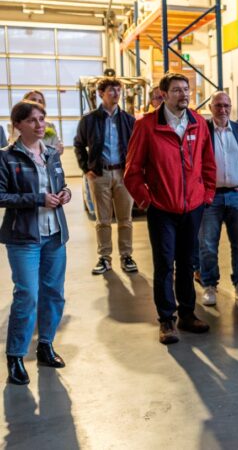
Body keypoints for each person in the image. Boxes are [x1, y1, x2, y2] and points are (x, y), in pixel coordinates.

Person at [124, 73, 216, 345]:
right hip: (162, 208)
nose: (184, 94)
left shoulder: (198, 123)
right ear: (163, 95)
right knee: (165, 264)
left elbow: (208, 163)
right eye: (177, 90)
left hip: (193, 207)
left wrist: (207, 195)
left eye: (186, 89)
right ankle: (166, 319)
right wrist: (147, 201)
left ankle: (187, 313)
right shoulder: (146, 126)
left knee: (187, 263)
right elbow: (132, 171)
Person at [0, 100, 72, 385]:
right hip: (24, 238)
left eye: (42, 119)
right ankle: (16, 356)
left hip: (54, 235)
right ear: (18, 125)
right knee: (27, 295)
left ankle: (46, 345)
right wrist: (38, 199)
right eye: (32, 120)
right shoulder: (7, 157)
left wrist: (65, 193)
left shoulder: (52, 153)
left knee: (54, 293)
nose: (40, 125)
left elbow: (60, 183)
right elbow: (1, 196)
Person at [74, 78, 137, 275]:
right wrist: (86, 169)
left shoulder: (129, 120)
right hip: (99, 174)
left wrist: (135, 171)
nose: (116, 93)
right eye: (111, 90)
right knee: (103, 220)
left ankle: (126, 256)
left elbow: (137, 147)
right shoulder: (89, 120)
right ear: (101, 93)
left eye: (118, 90)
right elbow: (78, 145)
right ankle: (105, 257)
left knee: (125, 219)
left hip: (123, 174)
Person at [197, 91, 238, 307]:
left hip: (237, 196)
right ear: (210, 107)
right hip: (210, 197)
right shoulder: (202, 130)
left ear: (231, 107)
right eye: (218, 105)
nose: (223, 109)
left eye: (226, 105)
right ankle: (209, 285)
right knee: (207, 244)